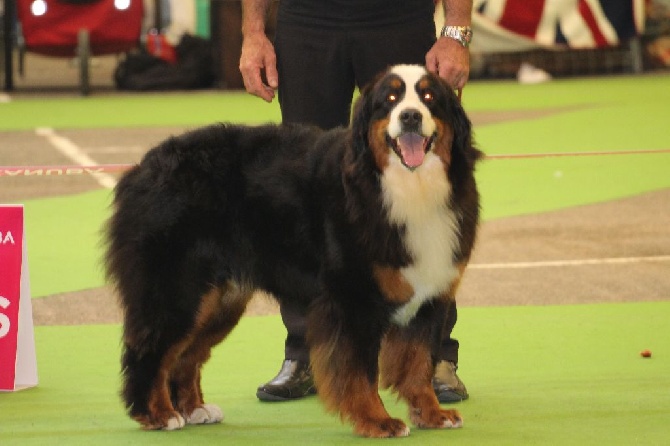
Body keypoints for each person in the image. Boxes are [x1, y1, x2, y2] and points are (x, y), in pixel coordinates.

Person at [239, 0, 473, 403]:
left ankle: (431, 357)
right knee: (307, 194)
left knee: (425, 187)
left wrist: (455, 32)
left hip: (398, 17)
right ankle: (308, 352)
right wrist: (253, 32)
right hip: (305, 22)